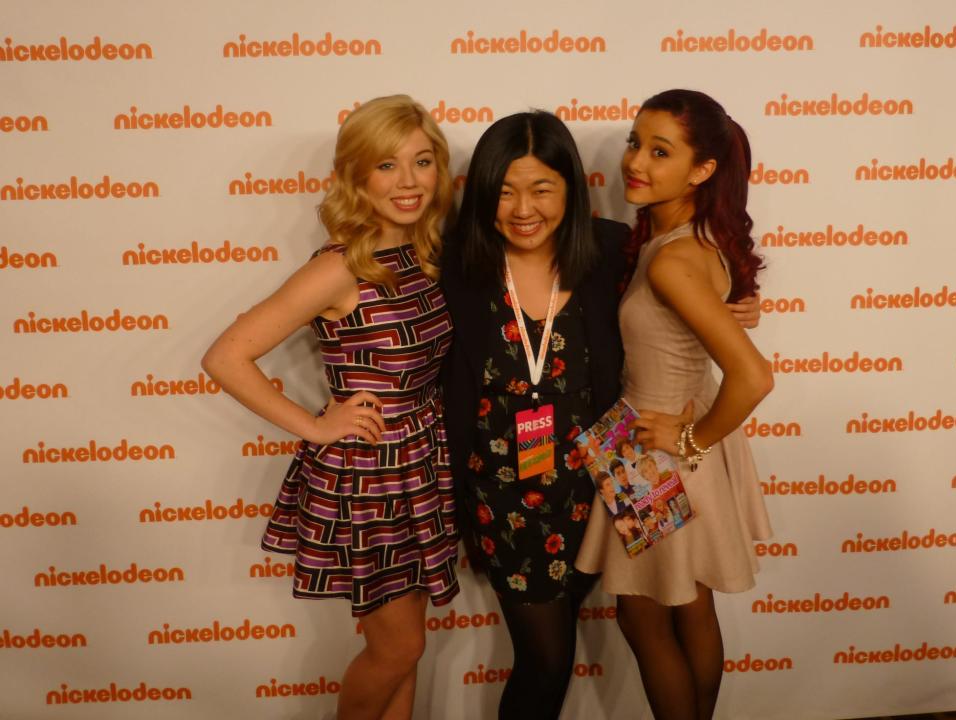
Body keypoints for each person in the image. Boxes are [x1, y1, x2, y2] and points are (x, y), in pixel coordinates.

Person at [441, 110, 761, 720]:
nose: (522, 208)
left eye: (541, 188)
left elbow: (691, 283)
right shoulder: (458, 267)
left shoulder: (616, 249)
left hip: (623, 465)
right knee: (547, 660)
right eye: (504, 191)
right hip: (508, 497)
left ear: (571, 189)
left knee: (669, 610)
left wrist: (738, 304)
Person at [201, 95, 459, 720]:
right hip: (368, 475)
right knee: (399, 646)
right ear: (356, 177)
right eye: (386, 166)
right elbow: (225, 357)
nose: (408, 182)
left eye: (422, 162)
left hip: (422, 462)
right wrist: (318, 427)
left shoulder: (427, 254)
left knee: (406, 651)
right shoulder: (341, 267)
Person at [576, 89, 775, 720]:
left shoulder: (675, 260)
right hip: (656, 441)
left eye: (661, 151)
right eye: (636, 142)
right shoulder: (685, 240)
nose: (636, 161)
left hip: (655, 451)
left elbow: (753, 376)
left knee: (642, 613)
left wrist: (690, 440)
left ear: (702, 170)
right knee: (688, 605)